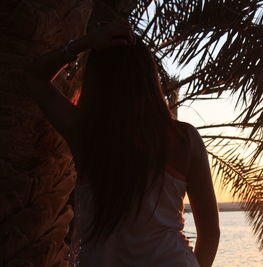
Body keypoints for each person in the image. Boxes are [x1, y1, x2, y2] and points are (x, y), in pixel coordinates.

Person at [24, 21, 220, 267]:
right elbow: (210, 234)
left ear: (96, 81)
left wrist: (82, 45)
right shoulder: (185, 139)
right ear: (150, 79)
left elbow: (35, 76)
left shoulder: (86, 132)